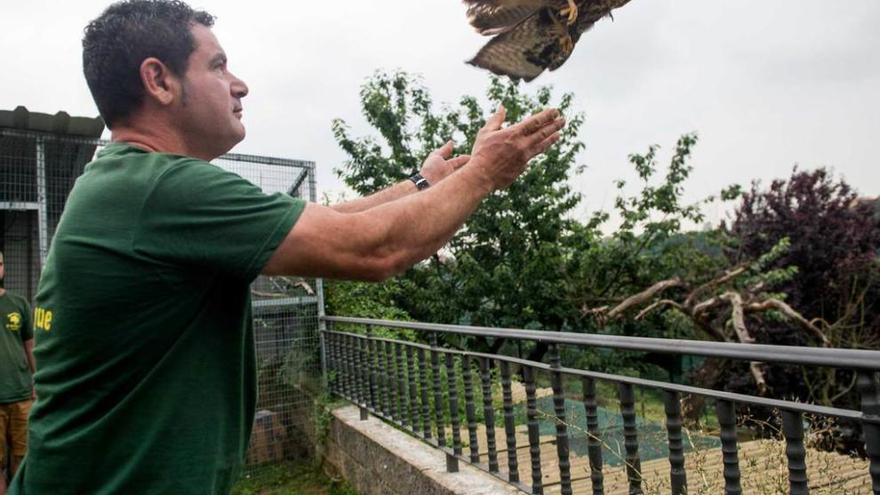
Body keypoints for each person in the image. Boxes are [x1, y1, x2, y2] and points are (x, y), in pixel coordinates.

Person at [9, 1, 565, 494]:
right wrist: (485, 173)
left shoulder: (137, 186)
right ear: (159, 80)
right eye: (218, 65)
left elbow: (324, 223)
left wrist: (425, 186)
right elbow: (372, 251)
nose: (240, 84)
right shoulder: (159, 188)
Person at [0, 252, 35, 495]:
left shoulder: (19, 303)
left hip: (22, 395)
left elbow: (30, 346)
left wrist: (38, 380)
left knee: (24, 461)